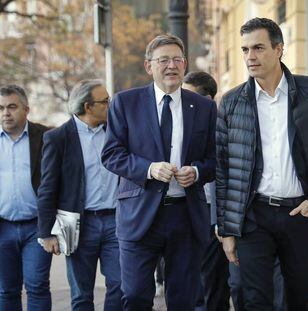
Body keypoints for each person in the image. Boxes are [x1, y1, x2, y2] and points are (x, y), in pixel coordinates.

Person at [215, 17, 308, 311]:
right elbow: (223, 171)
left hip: (300, 212)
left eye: (258, 48)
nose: (250, 56)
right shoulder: (232, 103)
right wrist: (226, 230)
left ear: (279, 49)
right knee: (255, 300)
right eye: (245, 49)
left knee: (301, 299)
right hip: (253, 215)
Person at [101, 34, 216, 310]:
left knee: (183, 299)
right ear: (148, 66)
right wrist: (149, 169)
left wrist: (198, 173)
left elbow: (215, 159)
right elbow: (111, 155)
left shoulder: (204, 107)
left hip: (185, 215)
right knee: (136, 295)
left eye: (177, 60)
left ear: (185, 64)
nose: (171, 66)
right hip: (139, 215)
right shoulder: (124, 103)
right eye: (163, 60)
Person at [37, 79, 122, 310]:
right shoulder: (58, 138)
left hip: (116, 222)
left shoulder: (115, 131)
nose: (110, 105)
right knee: (82, 294)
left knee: (121, 285)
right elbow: (47, 187)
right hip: (78, 225)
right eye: (105, 101)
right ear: (87, 106)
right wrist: (47, 234)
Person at [0, 85, 52, 311]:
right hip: (2, 227)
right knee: (6, 290)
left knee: (37, 286)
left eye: (12, 107)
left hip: (37, 227)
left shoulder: (46, 137)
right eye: (1, 108)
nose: (5, 113)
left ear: (26, 110)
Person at [182, 71, 230, 311]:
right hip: (195, 213)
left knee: (219, 285)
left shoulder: (226, 125)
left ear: (207, 100)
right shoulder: (184, 126)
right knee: (200, 283)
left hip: (223, 215)